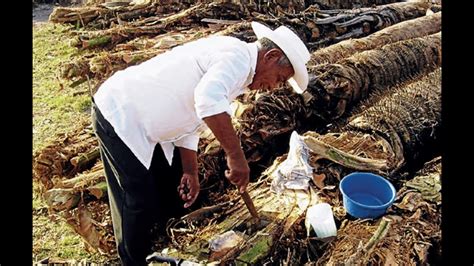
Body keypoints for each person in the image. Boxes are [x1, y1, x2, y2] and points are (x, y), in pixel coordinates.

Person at [91, 21, 310, 265]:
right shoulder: (235, 58)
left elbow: (194, 119)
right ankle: (133, 261)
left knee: (171, 192)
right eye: (279, 78)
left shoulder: (240, 73)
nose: (273, 87)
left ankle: (165, 250)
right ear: (271, 56)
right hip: (120, 113)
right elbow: (207, 101)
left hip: (149, 126)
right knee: (135, 199)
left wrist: (190, 171)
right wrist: (236, 156)